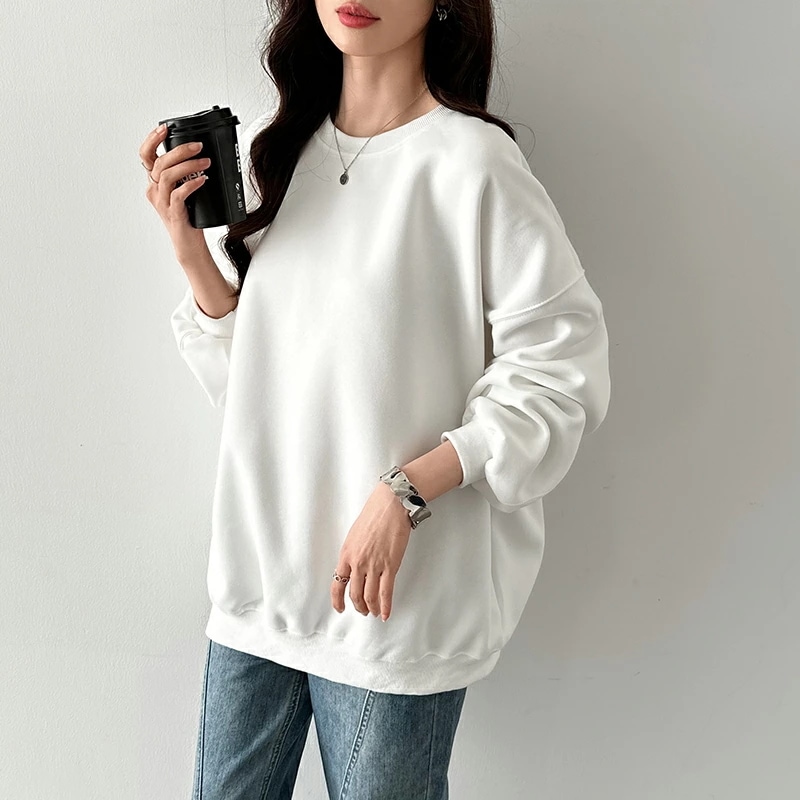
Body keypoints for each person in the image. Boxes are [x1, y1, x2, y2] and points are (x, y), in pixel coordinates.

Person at [138, 1, 611, 797]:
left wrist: (406, 491)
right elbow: (260, 391)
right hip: (261, 587)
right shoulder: (281, 154)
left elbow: (559, 371)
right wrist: (192, 256)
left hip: (392, 605)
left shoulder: (472, 164)